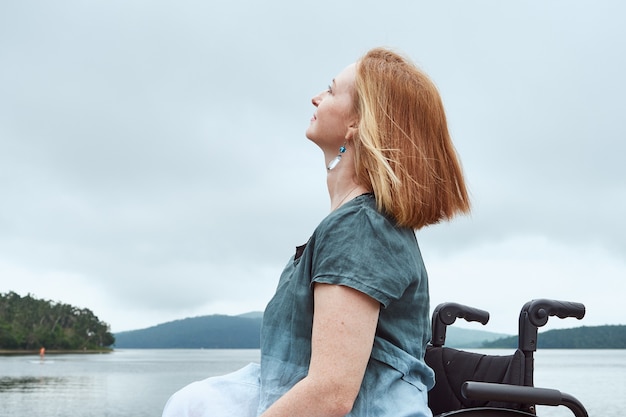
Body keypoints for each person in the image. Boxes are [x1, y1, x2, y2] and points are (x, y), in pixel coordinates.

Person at [162, 47, 470, 417]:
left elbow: (330, 394)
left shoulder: (361, 228)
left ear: (357, 122)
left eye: (331, 90)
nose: (316, 97)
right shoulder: (355, 224)